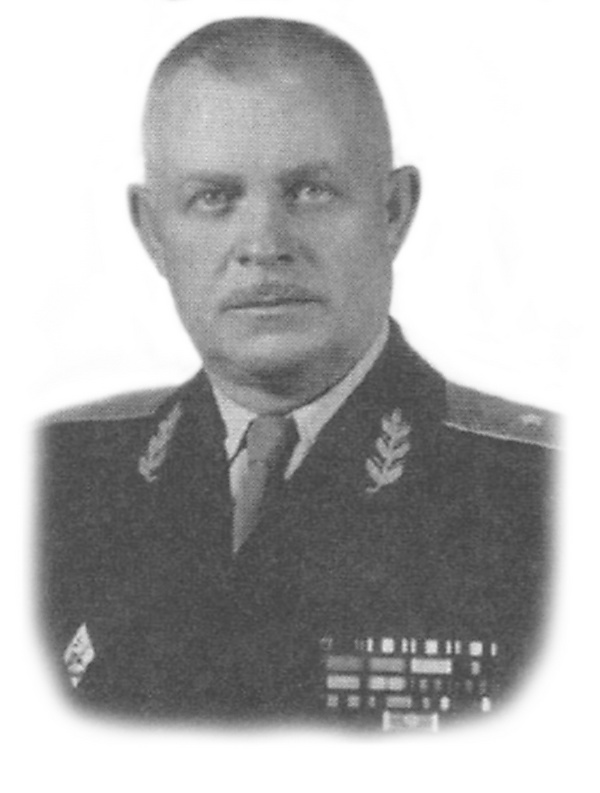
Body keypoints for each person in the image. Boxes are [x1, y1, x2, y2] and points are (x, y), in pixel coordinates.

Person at [40, 17, 554, 730]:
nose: (263, 245)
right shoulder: (52, 480)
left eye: (310, 190)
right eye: (214, 198)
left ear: (393, 211)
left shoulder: (549, 493)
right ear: (152, 232)